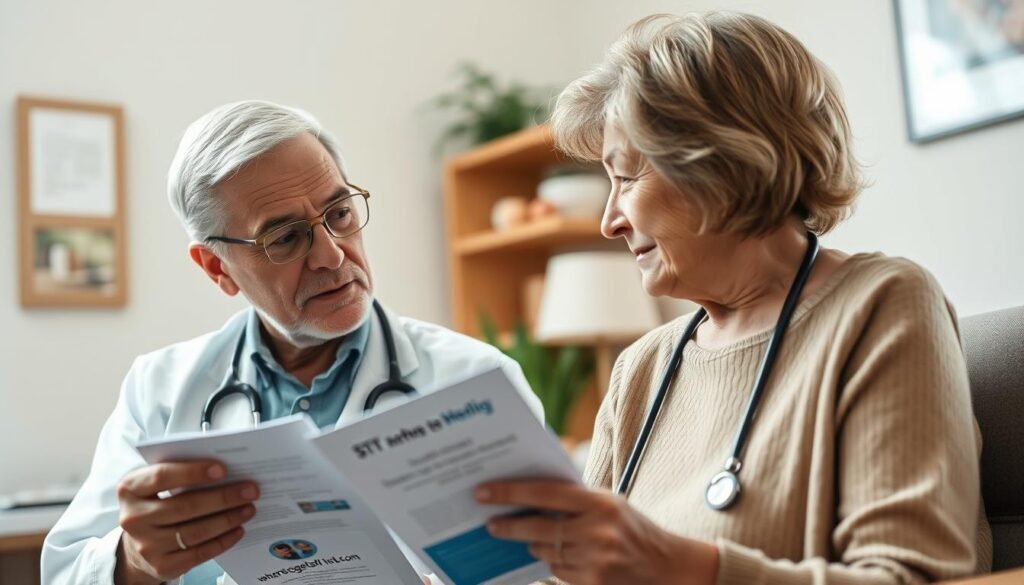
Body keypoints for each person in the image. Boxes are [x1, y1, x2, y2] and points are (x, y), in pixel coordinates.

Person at [475, 12, 992, 584]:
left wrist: (679, 566)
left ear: (723, 166)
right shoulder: (641, 369)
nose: (609, 222)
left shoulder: (881, 307)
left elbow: (915, 577)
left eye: (625, 178)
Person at [41, 100, 543, 585]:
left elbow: (541, 571)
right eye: (285, 238)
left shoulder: (473, 379)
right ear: (217, 268)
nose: (330, 255)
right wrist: (135, 562)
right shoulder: (159, 389)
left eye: (340, 213)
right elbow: (63, 573)